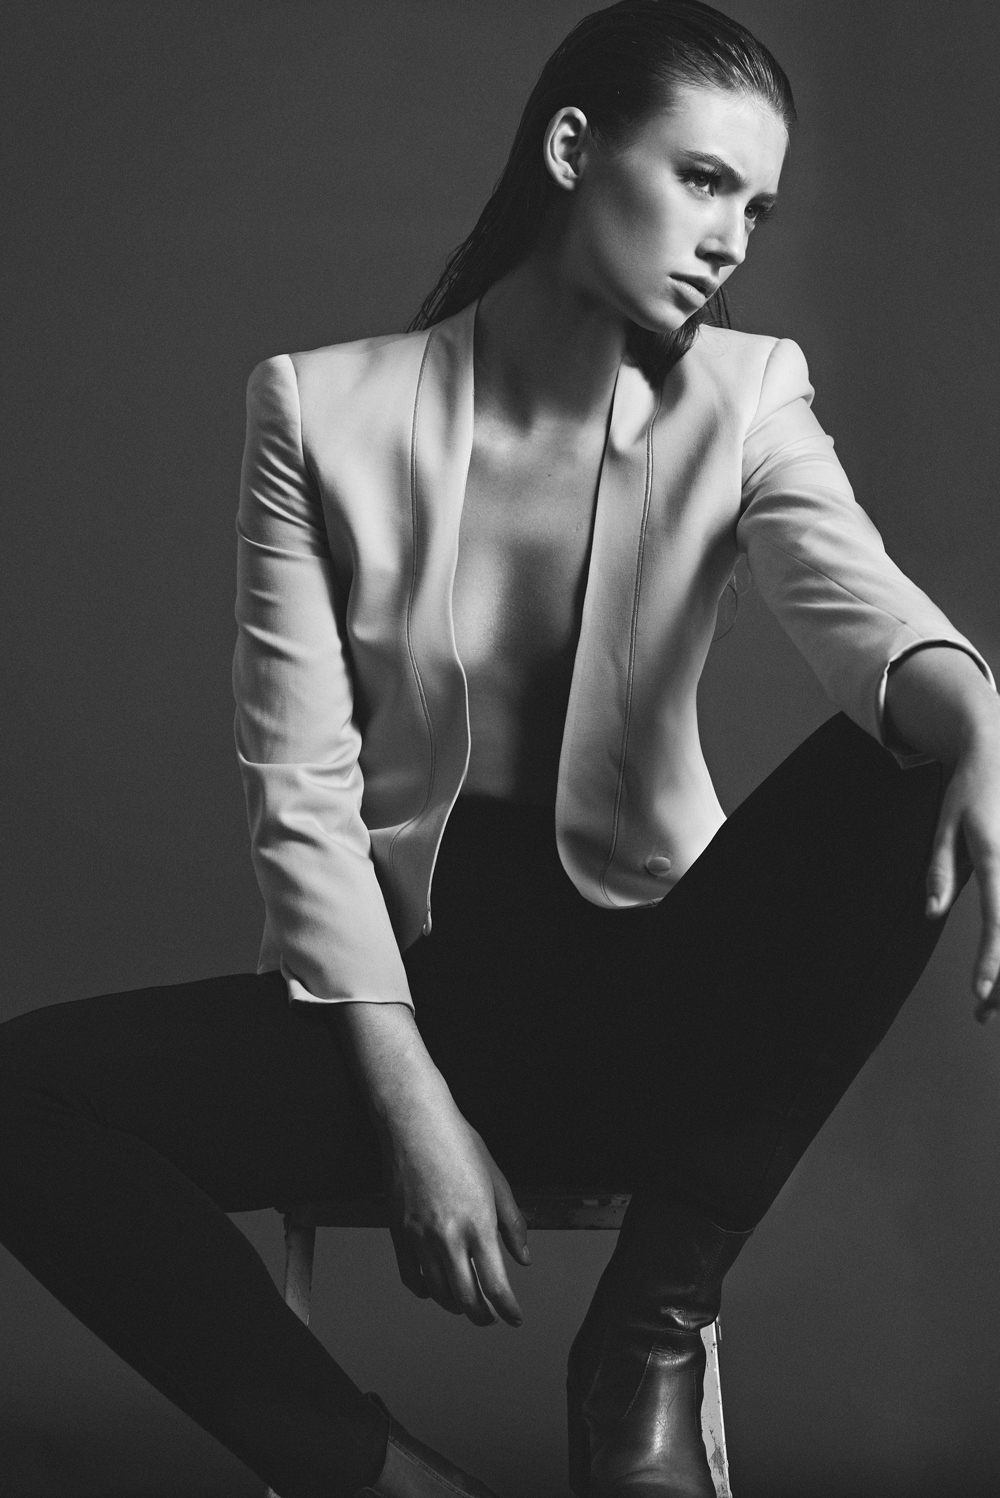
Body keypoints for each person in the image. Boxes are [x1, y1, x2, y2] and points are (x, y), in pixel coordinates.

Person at [2, 2, 999, 1495]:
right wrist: (414, 1107)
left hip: (663, 1005)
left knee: (920, 745)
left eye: (758, 207)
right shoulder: (321, 410)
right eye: (703, 179)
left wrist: (977, 718)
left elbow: (865, 614)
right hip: (411, 1009)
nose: (730, 238)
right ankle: (378, 1475)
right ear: (574, 147)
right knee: (20, 1094)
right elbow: (301, 789)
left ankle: (650, 1328)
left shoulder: (746, 393)